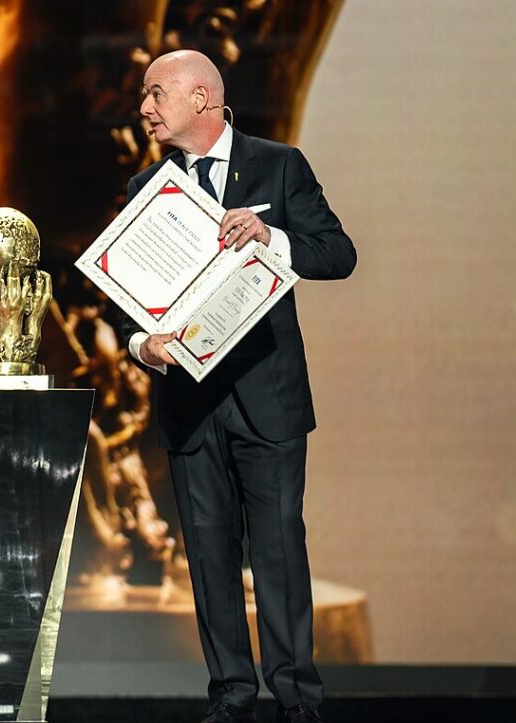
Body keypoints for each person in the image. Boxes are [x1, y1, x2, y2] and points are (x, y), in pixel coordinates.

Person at [120, 50, 356, 723]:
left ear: (201, 97)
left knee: (278, 547)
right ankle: (230, 691)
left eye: (154, 93)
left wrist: (270, 236)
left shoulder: (279, 165)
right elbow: (124, 301)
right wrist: (144, 344)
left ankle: (295, 694)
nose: (144, 108)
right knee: (207, 551)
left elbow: (336, 253)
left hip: (266, 396)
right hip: (190, 402)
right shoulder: (146, 186)